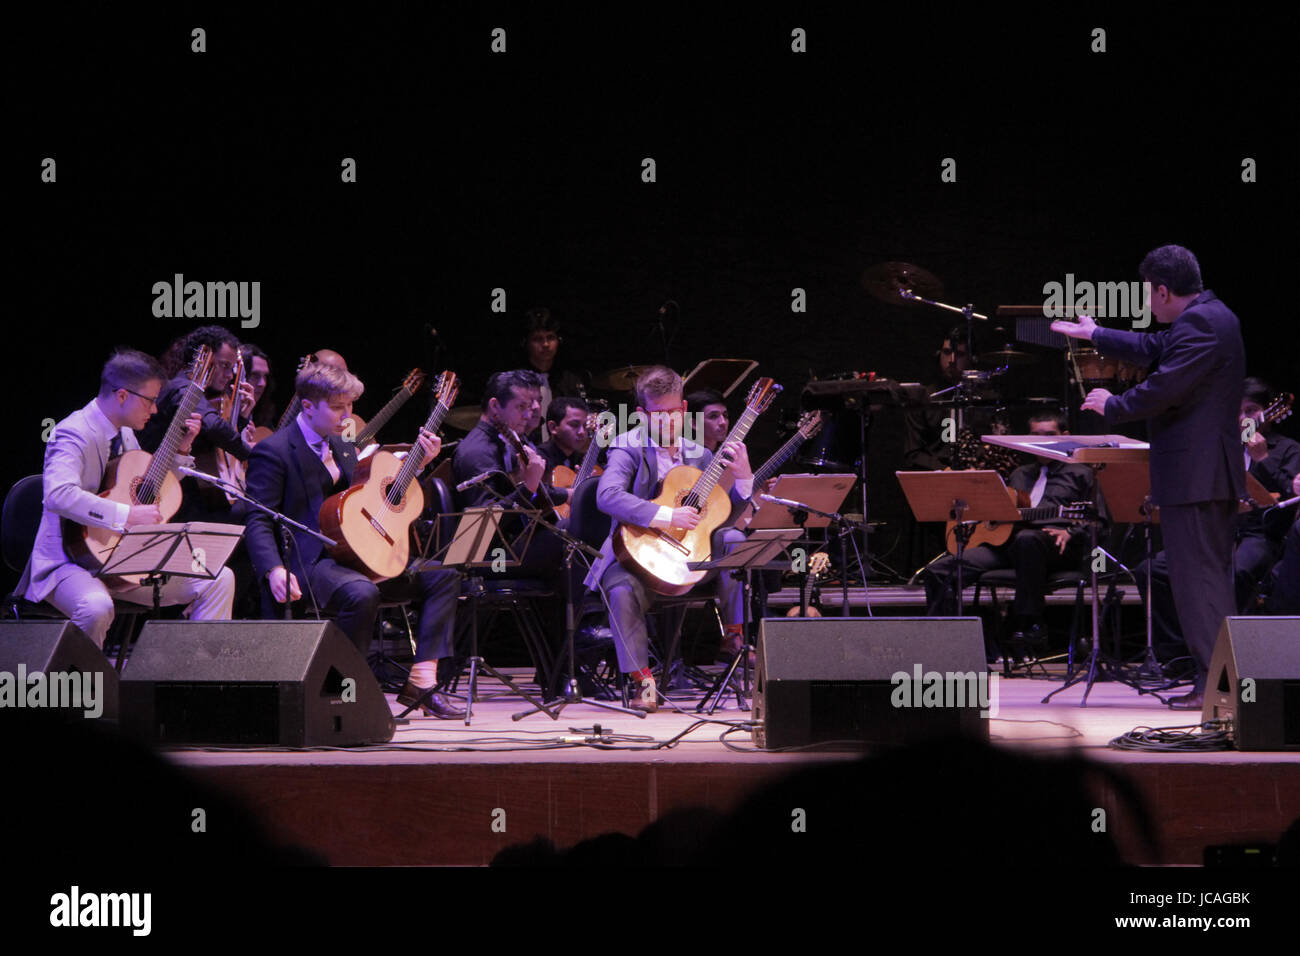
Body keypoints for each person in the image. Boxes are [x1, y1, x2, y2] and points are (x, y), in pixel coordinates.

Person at [1053, 244, 1245, 710]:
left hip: (1197, 477)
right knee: (1204, 580)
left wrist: (1111, 406)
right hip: (1203, 476)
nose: (1146, 302)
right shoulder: (1208, 316)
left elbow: (1165, 386)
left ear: (1162, 290)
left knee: (1199, 583)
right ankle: (1215, 679)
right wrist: (1095, 332)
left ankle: (1219, 685)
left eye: (1147, 293)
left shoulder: (1202, 323)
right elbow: (1155, 348)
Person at [243, 362, 464, 718]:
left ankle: (422, 682)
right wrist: (272, 569)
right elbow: (257, 517)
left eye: (350, 406)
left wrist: (419, 464)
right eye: (337, 407)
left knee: (443, 576)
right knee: (362, 593)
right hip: (309, 562)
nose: (347, 415)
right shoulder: (275, 450)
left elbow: (371, 493)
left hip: (355, 555)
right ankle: (339, 692)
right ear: (308, 405)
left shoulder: (343, 443)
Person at [17, 349, 234, 648]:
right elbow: (58, 495)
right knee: (96, 607)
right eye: (150, 400)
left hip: (122, 561)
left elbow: (147, 487)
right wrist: (126, 515)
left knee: (217, 578)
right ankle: (80, 689)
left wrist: (182, 450)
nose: (155, 410)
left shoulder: (125, 435)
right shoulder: (72, 432)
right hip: (68, 563)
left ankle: (199, 679)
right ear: (122, 396)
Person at [584, 366, 754, 711]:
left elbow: (722, 516)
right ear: (641, 414)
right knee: (619, 589)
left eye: (674, 413)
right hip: (637, 558)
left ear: (684, 407)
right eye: (657, 415)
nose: (668, 422)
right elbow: (608, 496)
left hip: (691, 557)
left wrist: (745, 480)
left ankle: (733, 636)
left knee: (734, 539)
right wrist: (666, 515)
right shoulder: (626, 447)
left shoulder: (701, 455)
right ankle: (643, 682)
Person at [921, 411, 1095, 656]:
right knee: (939, 571)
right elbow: (1002, 512)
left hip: (1055, 547)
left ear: (1065, 436)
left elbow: (1098, 520)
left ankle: (1028, 623)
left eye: (1049, 435)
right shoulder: (1020, 474)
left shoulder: (1081, 473)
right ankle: (949, 646)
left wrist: (1071, 531)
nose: (1041, 441)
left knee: (1028, 540)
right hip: (1009, 545)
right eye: (1035, 435)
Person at [137, 325, 255, 522]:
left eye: (232, 368)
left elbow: (214, 447)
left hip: (180, 486)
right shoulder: (182, 389)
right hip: (158, 490)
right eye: (224, 365)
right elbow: (213, 426)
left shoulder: (200, 393)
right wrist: (255, 456)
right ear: (206, 357)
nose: (230, 375)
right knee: (250, 514)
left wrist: (241, 418)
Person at [521, 308, 586, 441]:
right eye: (537, 339)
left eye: (550, 338)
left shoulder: (570, 381)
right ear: (526, 343)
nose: (545, 344)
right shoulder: (517, 382)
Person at [537, 396, 590, 476]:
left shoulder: (582, 460)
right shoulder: (540, 459)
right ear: (553, 427)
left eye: (585, 426)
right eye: (574, 425)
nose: (582, 432)